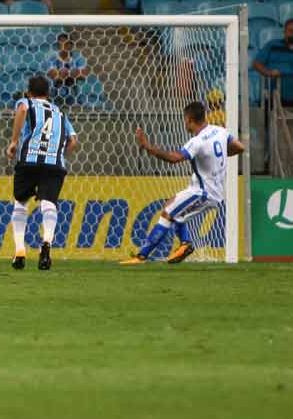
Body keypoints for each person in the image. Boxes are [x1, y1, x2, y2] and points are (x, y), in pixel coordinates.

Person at [121, 102, 245, 265]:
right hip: (211, 190)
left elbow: (174, 158)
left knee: (167, 212)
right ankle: (185, 244)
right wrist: (216, 158)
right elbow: (240, 147)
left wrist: (148, 147)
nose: (184, 123)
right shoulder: (220, 131)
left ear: (190, 119)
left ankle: (141, 256)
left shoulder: (197, 142)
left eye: (185, 119)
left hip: (202, 192)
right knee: (176, 213)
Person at [6, 75, 79, 270]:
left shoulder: (26, 102)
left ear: (29, 92)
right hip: (54, 163)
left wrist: (13, 141)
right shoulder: (60, 112)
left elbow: (22, 109)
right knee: (48, 203)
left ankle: (20, 251)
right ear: (48, 94)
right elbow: (73, 141)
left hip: (30, 160)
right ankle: (47, 243)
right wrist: (59, 155)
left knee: (20, 202)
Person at [252, 19, 293, 106]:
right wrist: (269, 73)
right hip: (274, 94)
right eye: (290, 31)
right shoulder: (272, 45)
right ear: (284, 32)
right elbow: (256, 64)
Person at [45, 33, 89, 106]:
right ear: (58, 46)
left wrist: (65, 73)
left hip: (74, 94)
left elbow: (83, 74)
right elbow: (53, 74)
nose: (63, 46)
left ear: (71, 45)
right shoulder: (52, 59)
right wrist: (73, 73)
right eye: (60, 44)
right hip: (56, 96)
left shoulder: (78, 57)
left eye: (66, 44)